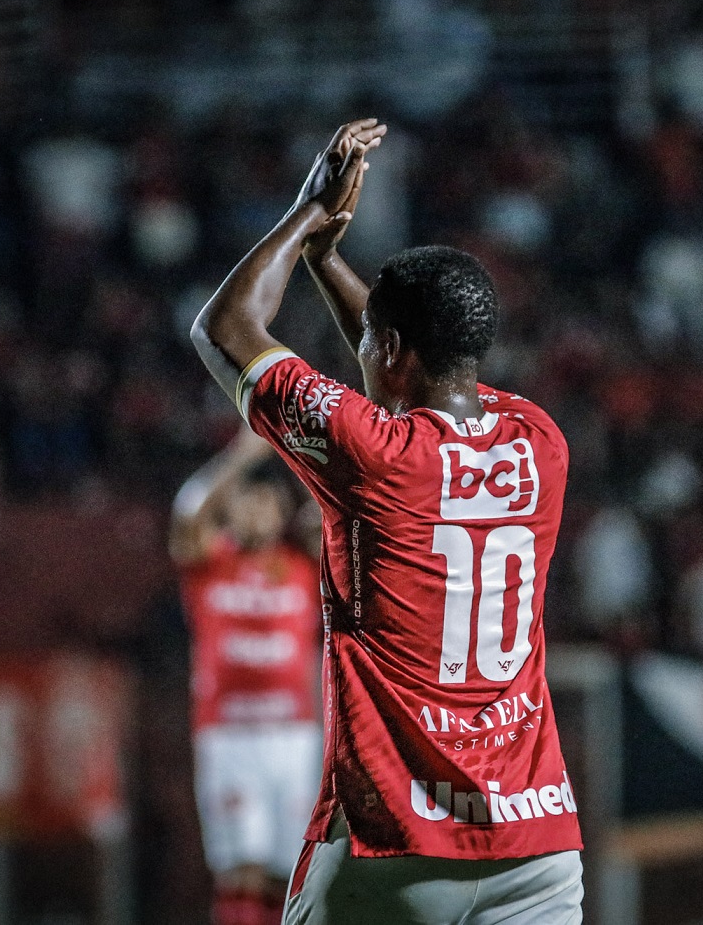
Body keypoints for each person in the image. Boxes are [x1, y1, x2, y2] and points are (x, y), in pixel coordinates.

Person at [191, 119, 583, 923]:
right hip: (537, 848)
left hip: (395, 848)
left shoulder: (375, 455)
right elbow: (406, 365)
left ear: (393, 347)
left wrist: (306, 218)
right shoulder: (539, 440)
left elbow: (224, 329)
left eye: (371, 339)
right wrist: (327, 261)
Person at [170, 428, 323, 925]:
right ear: (230, 511)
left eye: (266, 502)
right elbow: (188, 514)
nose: (257, 511)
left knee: (294, 872)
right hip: (230, 736)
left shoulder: (302, 566)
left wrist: (292, 457)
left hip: (293, 736)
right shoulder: (211, 564)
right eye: (246, 502)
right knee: (241, 871)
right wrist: (241, 455)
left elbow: (333, 520)